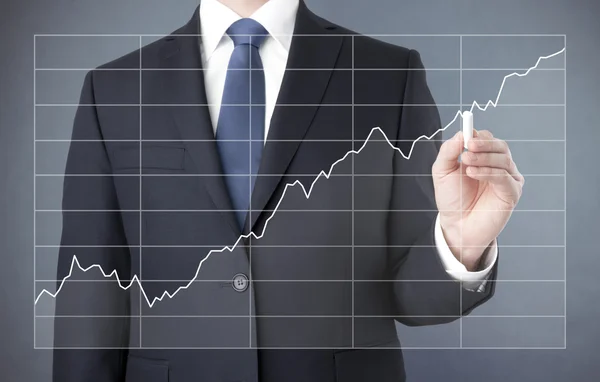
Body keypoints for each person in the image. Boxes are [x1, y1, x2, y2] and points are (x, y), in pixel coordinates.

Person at [53, 0, 524, 381]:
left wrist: (462, 242)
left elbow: (412, 297)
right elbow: (89, 294)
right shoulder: (113, 89)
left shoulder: (387, 74)